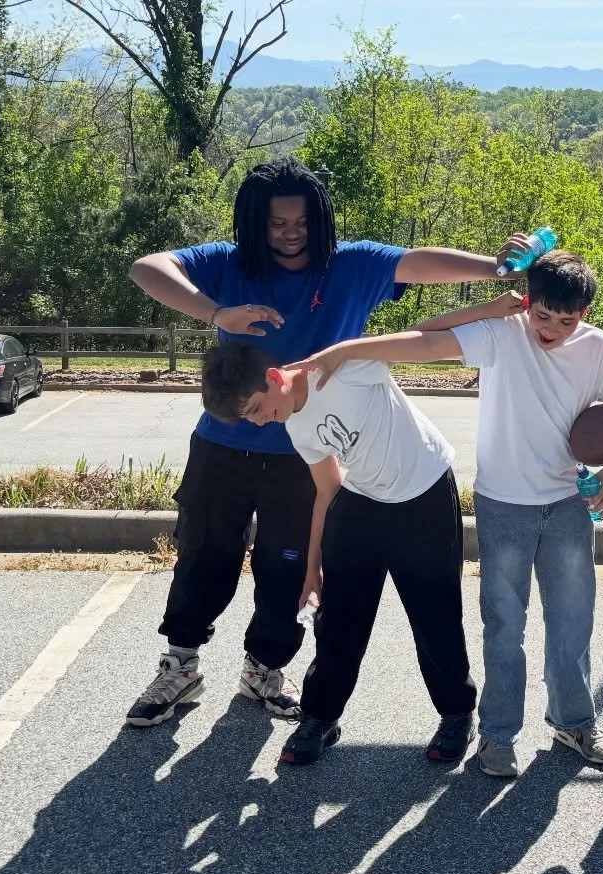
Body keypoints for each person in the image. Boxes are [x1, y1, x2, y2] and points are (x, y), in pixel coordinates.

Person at [125, 153, 526, 727]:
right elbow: (147, 267)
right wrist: (217, 311)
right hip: (222, 444)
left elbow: (420, 264)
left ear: (319, 216)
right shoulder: (230, 265)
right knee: (202, 557)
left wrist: (495, 268)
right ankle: (180, 667)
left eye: (300, 221)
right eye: (276, 223)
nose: (290, 233)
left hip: (307, 453)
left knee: (286, 569)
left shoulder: (351, 264)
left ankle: (264, 669)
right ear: (255, 223)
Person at [301, 251, 603, 778]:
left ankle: (574, 721)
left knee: (572, 621)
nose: (552, 329)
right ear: (527, 301)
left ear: (582, 314)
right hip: (503, 503)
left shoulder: (597, 349)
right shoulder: (501, 332)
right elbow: (424, 338)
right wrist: (347, 349)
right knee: (504, 625)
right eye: (543, 315)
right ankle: (497, 735)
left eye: (567, 319)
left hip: (567, 506)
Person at [195, 290, 522, 766]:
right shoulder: (293, 425)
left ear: (274, 377)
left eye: (258, 410)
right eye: (252, 419)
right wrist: (313, 567)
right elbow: (327, 489)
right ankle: (319, 717)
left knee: (434, 616)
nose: (262, 422)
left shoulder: (342, 367)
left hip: (423, 493)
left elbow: (423, 334)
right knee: (339, 619)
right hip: (363, 500)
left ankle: (456, 713)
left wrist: (490, 309)